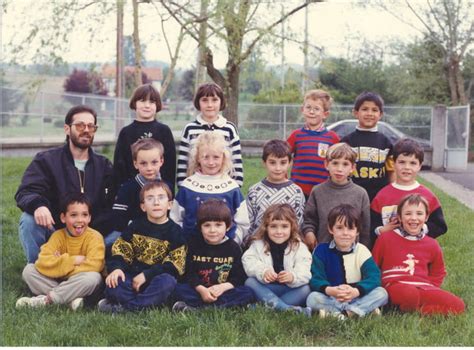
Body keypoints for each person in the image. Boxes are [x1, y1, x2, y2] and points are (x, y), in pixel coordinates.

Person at [15, 105, 115, 263]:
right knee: (29, 220)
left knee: (121, 230)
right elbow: (26, 191)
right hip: (55, 232)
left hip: (90, 234)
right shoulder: (46, 160)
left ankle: (92, 264)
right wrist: (39, 206)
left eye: (91, 126)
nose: (86, 130)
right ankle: (39, 269)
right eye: (80, 125)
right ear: (67, 129)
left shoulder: (104, 165)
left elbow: (114, 202)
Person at [98, 181, 186, 313]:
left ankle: (125, 309)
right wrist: (117, 269)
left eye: (161, 197)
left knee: (168, 282)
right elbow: (120, 251)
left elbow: (174, 265)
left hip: (157, 280)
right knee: (114, 284)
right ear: (143, 206)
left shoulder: (176, 232)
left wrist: (147, 275)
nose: (156, 202)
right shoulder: (135, 226)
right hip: (132, 278)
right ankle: (144, 306)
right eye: (150, 198)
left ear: (170, 204)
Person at [372, 194, 464, 316]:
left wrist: (431, 286)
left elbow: (438, 271)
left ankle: (419, 311)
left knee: (458, 305)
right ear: (399, 217)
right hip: (395, 286)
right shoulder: (385, 238)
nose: (414, 218)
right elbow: (373, 266)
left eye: (419, 214)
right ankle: (401, 305)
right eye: (408, 213)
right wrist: (380, 288)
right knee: (409, 294)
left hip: (423, 287)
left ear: (426, 217)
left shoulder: (432, 244)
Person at [16, 193, 105, 311]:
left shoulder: (95, 237)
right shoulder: (58, 236)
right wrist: (73, 260)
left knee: (93, 278)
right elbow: (42, 261)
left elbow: (95, 265)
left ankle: (47, 300)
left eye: (84, 215)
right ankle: (70, 299)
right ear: (63, 217)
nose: (79, 220)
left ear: (89, 217)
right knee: (29, 270)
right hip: (70, 284)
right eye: (73, 215)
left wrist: (59, 265)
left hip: (78, 280)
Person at [306, 204, 388, 320]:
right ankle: (360, 310)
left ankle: (341, 314)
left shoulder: (362, 250)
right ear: (330, 229)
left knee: (382, 293)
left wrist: (356, 291)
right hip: (332, 296)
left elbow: (374, 277)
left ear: (357, 231)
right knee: (312, 298)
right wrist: (330, 290)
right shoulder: (321, 250)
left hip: (357, 295)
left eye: (350, 228)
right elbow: (316, 278)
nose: (345, 233)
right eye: (339, 228)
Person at [172, 199, 255, 312]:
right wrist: (201, 290)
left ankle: (200, 309)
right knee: (178, 288)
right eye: (207, 225)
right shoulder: (193, 245)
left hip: (222, 291)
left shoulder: (233, 248)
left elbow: (239, 277)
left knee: (246, 292)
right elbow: (188, 273)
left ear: (228, 226)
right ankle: (217, 307)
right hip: (198, 289)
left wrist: (223, 287)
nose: (212, 230)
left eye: (218, 225)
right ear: (200, 227)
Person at [170, 131, 250, 245]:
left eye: (216, 157)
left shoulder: (232, 187)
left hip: (224, 253)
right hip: (192, 250)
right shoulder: (187, 186)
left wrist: (232, 243)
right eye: (205, 157)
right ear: (198, 158)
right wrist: (184, 242)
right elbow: (175, 219)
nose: (211, 162)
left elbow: (243, 222)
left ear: (224, 157)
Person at [370, 138, 447, 246]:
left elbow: (440, 226)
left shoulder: (428, 196)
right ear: (393, 163)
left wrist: (418, 229)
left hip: (419, 252)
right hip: (389, 251)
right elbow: (371, 227)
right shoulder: (382, 196)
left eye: (412, 163)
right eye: (402, 162)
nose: (407, 167)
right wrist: (382, 230)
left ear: (419, 166)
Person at [242, 204, 312, 317]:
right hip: (265, 289)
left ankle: (265, 308)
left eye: (284, 226)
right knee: (249, 282)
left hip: (288, 289)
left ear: (292, 227)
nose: (279, 231)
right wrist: (263, 271)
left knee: (306, 289)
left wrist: (293, 276)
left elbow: (305, 271)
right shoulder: (258, 244)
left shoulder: (299, 247)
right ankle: (286, 309)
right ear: (266, 227)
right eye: (273, 226)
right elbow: (248, 261)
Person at [302, 143, 370, 251]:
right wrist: (309, 233)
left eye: (345, 164)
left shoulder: (360, 193)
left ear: (352, 168)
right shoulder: (317, 191)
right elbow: (309, 220)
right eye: (335, 163)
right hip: (323, 252)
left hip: (352, 253)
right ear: (326, 164)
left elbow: (365, 229)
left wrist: (363, 252)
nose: (339, 169)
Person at [106, 138, 172, 247]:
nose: (149, 168)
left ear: (161, 161)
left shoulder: (167, 187)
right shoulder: (128, 188)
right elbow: (118, 218)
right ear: (135, 164)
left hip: (160, 231)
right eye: (143, 163)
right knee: (107, 243)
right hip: (130, 231)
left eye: (154, 162)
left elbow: (171, 215)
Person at [112, 83, 176, 194]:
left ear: (157, 106)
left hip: (158, 192)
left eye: (151, 102)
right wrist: (122, 191)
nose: (147, 105)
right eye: (142, 101)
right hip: (132, 191)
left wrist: (168, 192)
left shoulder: (164, 131)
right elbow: (119, 166)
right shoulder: (126, 132)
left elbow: (170, 166)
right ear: (134, 103)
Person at [177, 82, 243, 187]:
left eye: (214, 100)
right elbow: (182, 162)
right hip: (196, 188)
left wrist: (235, 186)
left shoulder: (229, 129)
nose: (210, 105)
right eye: (204, 100)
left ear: (221, 102)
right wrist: (183, 186)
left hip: (223, 187)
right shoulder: (190, 129)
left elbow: (237, 162)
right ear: (198, 103)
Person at [340, 91, 394, 202]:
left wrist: (393, 194)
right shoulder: (346, 142)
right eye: (365, 109)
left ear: (380, 114)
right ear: (355, 113)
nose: (369, 113)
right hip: (351, 197)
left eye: (374, 110)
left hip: (378, 198)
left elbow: (392, 172)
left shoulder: (386, 143)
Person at [287, 89, 340, 200]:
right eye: (308, 107)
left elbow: (339, 162)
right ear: (303, 110)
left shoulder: (333, 138)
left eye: (316, 109)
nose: (312, 112)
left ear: (325, 114)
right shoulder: (296, 135)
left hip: (324, 193)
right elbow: (283, 157)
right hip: (297, 192)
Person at [246, 140, 305, 238]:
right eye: (272, 163)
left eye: (283, 163)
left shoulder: (296, 192)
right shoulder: (255, 191)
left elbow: (298, 225)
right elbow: (248, 223)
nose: (278, 168)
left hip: (287, 245)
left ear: (290, 163)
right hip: (258, 244)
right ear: (264, 163)